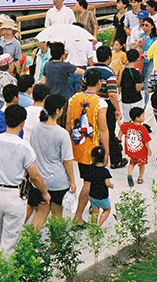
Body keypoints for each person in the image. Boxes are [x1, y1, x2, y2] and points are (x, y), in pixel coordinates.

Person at [0, 104, 49, 251]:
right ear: (22, 123)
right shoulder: (23, 146)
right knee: (11, 242)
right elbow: (35, 176)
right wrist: (44, 192)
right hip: (14, 195)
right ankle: (5, 272)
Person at [26, 93, 75, 230]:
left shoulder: (36, 128)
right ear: (59, 110)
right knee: (57, 215)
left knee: (40, 214)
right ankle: (55, 246)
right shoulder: (62, 133)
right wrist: (72, 181)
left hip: (40, 180)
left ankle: (29, 243)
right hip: (58, 181)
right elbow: (67, 161)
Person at [68, 71, 110, 225]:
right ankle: (78, 217)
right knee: (88, 182)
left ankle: (92, 208)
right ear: (99, 82)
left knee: (88, 180)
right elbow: (103, 130)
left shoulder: (74, 98)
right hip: (91, 149)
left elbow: (68, 124)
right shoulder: (100, 103)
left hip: (75, 145)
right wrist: (106, 151)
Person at [120, 107, 151, 186]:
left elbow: (121, 126)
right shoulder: (142, 128)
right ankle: (140, 178)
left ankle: (129, 174)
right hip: (141, 151)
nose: (144, 117)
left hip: (132, 150)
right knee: (142, 165)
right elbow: (146, 140)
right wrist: (149, 150)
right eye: (142, 116)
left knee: (132, 163)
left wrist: (118, 120)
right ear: (137, 118)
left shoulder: (128, 125)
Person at [84, 145, 113, 227]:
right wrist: (111, 185)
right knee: (107, 209)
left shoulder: (90, 169)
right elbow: (107, 183)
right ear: (104, 158)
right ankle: (98, 225)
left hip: (92, 195)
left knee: (95, 211)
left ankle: (93, 226)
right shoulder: (105, 171)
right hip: (102, 196)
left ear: (92, 158)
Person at [118, 49, 144, 122]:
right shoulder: (136, 73)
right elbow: (138, 88)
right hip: (135, 99)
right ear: (137, 59)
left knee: (126, 120)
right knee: (136, 120)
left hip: (125, 99)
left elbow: (118, 84)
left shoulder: (122, 70)